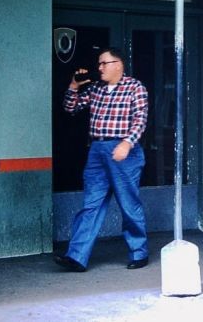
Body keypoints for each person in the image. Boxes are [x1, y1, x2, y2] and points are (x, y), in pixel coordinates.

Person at [54, 47, 149, 272]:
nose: (100, 68)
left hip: (123, 149)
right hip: (97, 149)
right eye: (99, 64)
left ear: (118, 65)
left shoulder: (135, 87)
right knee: (91, 204)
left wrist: (127, 143)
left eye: (104, 63)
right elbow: (70, 108)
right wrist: (74, 86)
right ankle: (76, 257)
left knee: (128, 204)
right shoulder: (96, 88)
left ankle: (139, 252)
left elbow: (140, 119)